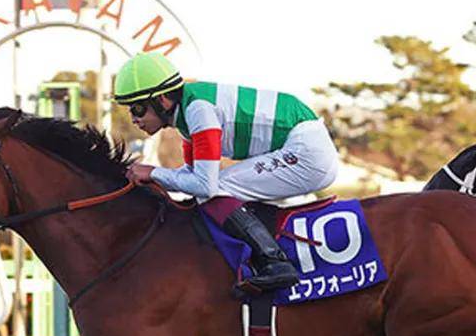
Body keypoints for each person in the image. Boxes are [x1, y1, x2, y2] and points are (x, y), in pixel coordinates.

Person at [113, 51, 340, 291]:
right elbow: (190, 176)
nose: (133, 119)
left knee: (216, 189)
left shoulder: (199, 110)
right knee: (211, 189)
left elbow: (205, 185)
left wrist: (153, 173)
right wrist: (150, 177)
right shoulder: (187, 117)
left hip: (308, 152)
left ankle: (275, 263)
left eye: (138, 108)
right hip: (302, 143)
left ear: (163, 100)